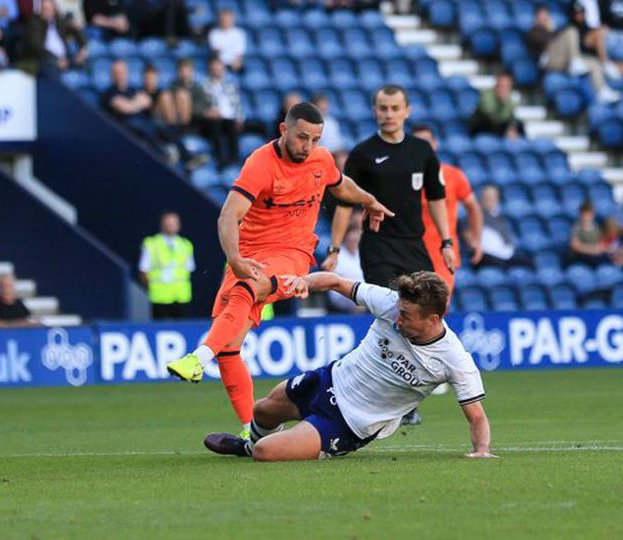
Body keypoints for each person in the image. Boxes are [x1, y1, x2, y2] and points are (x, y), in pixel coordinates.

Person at [165, 102, 393, 440]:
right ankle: (250, 430)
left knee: (250, 288)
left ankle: (198, 356)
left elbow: (341, 185)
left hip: (293, 254)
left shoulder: (321, 159)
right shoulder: (260, 163)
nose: (309, 146)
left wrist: (369, 200)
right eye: (303, 137)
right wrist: (236, 257)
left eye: (315, 139)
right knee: (230, 348)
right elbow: (228, 216)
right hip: (250, 254)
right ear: (284, 130)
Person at [203, 270, 495, 462]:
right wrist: (305, 282)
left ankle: (260, 446)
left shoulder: (454, 358)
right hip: (328, 380)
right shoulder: (391, 303)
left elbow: (477, 416)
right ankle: (249, 444)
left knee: (266, 453)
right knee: (261, 410)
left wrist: (481, 451)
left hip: (349, 422)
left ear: (433, 319)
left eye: (406, 316)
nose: (398, 319)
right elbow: (335, 282)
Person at [323, 85, 454, 427]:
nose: (389, 114)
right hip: (378, 246)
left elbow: (436, 197)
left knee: (420, 317)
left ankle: (403, 394)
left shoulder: (422, 151)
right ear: (375, 110)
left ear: (406, 111)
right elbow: (343, 202)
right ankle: (395, 398)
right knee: (396, 312)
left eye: (395, 108)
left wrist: (446, 241)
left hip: (414, 244)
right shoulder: (364, 154)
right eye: (383, 107)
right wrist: (335, 249)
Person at [411, 124, 483, 295]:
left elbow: (473, 206)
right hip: (411, 254)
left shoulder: (452, 175)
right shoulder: (403, 177)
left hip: (443, 256)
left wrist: (477, 240)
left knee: (437, 308)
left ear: (435, 144)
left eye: (426, 142)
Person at [526, 4, 621, 103]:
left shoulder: (551, 30)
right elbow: (548, 42)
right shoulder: (533, 31)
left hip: (564, 62)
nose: (544, 18)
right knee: (571, 31)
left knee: (594, 63)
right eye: (541, 16)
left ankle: (602, 91)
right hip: (549, 61)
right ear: (536, 18)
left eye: (546, 15)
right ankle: (575, 61)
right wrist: (551, 30)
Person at [138, 211, 195, 320]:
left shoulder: (186, 245)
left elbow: (189, 269)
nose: (171, 226)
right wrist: (151, 288)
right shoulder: (152, 244)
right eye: (168, 223)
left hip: (181, 296)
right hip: (159, 297)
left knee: (183, 327)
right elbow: (143, 271)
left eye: (174, 223)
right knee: (161, 327)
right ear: (162, 225)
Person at [472, 185, 531, 269]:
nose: (490, 201)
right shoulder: (472, 218)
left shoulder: (500, 219)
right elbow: (471, 242)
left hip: (505, 255)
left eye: (493, 198)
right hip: (487, 256)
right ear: (481, 199)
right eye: (487, 198)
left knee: (526, 261)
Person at [21, 0, 87, 75]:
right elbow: (37, 47)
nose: (48, 12)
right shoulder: (34, 24)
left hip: (65, 57)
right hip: (45, 60)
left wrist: (82, 48)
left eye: (50, 9)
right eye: (45, 9)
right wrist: (56, 60)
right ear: (40, 11)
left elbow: (76, 30)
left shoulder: (59, 21)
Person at [200, 55, 243, 168]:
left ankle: (235, 157)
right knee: (216, 124)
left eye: (219, 66)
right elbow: (202, 105)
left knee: (234, 124)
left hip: (230, 119)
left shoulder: (230, 86)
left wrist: (240, 118)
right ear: (210, 68)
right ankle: (221, 158)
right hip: (214, 119)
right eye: (215, 66)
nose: (217, 69)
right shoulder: (204, 86)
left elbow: (237, 104)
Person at [326, 213, 365, 314]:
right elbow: (334, 289)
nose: (354, 238)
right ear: (345, 236)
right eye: (351, 235)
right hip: (340, 307)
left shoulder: (363, 253)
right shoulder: (336, 256)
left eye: (357, 234)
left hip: (365, 304)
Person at [469, 72, 523, 138]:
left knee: (519, 126)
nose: (503, 89)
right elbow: (492, 117)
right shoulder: (486, 96)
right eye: (501, 85)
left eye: (506, 86)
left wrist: (512, 128)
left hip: (499, 128)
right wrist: (502, 103)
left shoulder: (512, 99)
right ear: (496, 85)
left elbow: (511, 117)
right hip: (483, 128)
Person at [570, 201, 612, 266]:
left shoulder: (596, 227)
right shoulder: (577, 228)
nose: (586, 217)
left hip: (596, 255)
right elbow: (575, 246)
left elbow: (602, 243)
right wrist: (592, 250)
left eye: (589, 214)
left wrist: (601, 248)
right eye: (584, 214)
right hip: (583, 256)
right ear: (580, 214)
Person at [311, 93, 347, 170]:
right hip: (323, 152)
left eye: (325, 104)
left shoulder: (332, 122)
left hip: (336, 152)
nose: (324, 107)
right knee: (340, 160)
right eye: (321, 105)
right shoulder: (312, 124)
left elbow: (338, 140)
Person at [207, 8, 246, 72]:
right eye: (223, 19)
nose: (225, 20)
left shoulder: (239, 33)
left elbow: (239, 52)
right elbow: (216, 51)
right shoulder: (213, 33)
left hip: (235, 63)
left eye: (228, 18)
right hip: (220, 63)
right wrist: (222, 64)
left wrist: (236, 62)